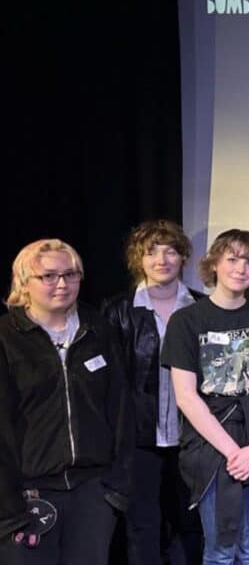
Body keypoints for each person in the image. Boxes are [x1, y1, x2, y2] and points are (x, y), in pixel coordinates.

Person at [161, 229, 249, 565]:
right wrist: (234, 453)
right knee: (220, 551)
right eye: (232, 259)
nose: (240, 268)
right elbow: (186, 396)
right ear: (215, 264)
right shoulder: (187, 321)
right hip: (213, 447)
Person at [0, 239, 131, 564]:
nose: (62, 284)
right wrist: (10, 509)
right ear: (23, 283)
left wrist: (114, 488)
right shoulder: (5, 337)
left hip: (92, 492)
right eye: (49, 276)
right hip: (26, 496)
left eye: (71, 275)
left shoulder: (98, 329)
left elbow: (121, 411)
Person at [102, 220, 204, 565]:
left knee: (192, 525)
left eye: (170, 250)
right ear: (138, 259)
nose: (162, 260)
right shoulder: (117, 310)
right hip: (138, 438)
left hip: (193, 435)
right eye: (151, 252)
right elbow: (111, 382)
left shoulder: (201, 307)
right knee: (142, 527)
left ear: (183, 257)